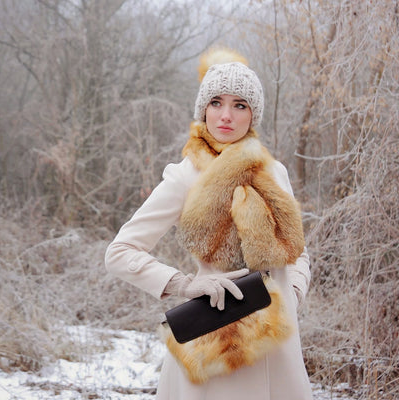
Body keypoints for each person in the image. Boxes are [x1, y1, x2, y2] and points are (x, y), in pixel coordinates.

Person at [105, 48, 313, 400]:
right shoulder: (184, 177)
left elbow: (299, 251)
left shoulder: (274, 173)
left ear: (253, 115)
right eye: (216, 102)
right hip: (217, 344)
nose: (226, 116)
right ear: (203, 108)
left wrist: (292, 292)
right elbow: (120, 252)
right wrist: (185, 284)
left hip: (277, 348)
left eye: (240, 105)